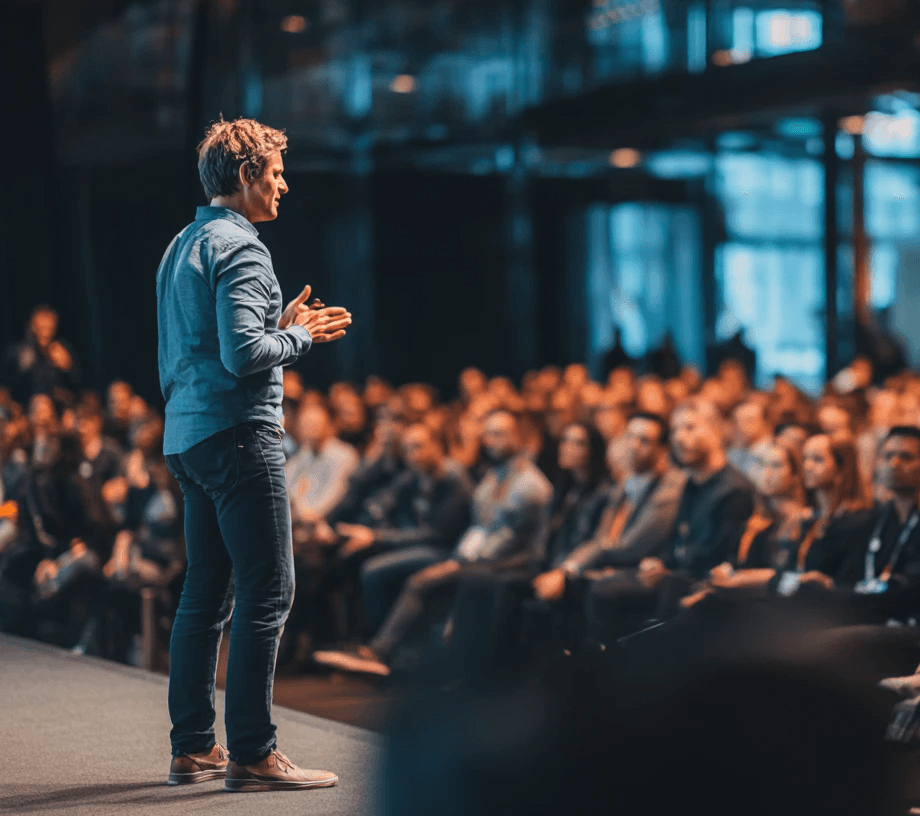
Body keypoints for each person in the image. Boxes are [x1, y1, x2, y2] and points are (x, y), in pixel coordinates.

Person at [157, 117, 351, 791]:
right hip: (239, 434)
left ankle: (193, 747)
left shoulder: (182, 245)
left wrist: (278, 327)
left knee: (205, 593)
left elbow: (209, 349)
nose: (283, 185)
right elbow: (243, 357)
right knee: (269, 589)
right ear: (246, 176)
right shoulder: (243, 248)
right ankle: (253, 751)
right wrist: (295, 338)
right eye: (274, 173)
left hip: (188, 436)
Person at [313, 409, 552, 676]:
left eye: (499, 434)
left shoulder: (528, 486)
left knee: (420, 579)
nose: (489, 441)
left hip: (509, 563)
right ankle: (386, 650)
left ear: (519, 437)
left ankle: (383, 651)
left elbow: (503, 540)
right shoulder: (493, 476)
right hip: (475, 556)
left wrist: (458, 562)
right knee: (369, 564)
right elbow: (479, 528)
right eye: (488, 434)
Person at [1, 304, 81, 403]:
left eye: (50, 328)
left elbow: (77, 385)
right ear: (32, 326)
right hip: (27, 408)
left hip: (57, 408)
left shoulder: (62, 349)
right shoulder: (18, 351)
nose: (45, 333)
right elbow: (7, 385)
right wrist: (21, 369)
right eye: (42, 328)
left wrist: (68, 368)